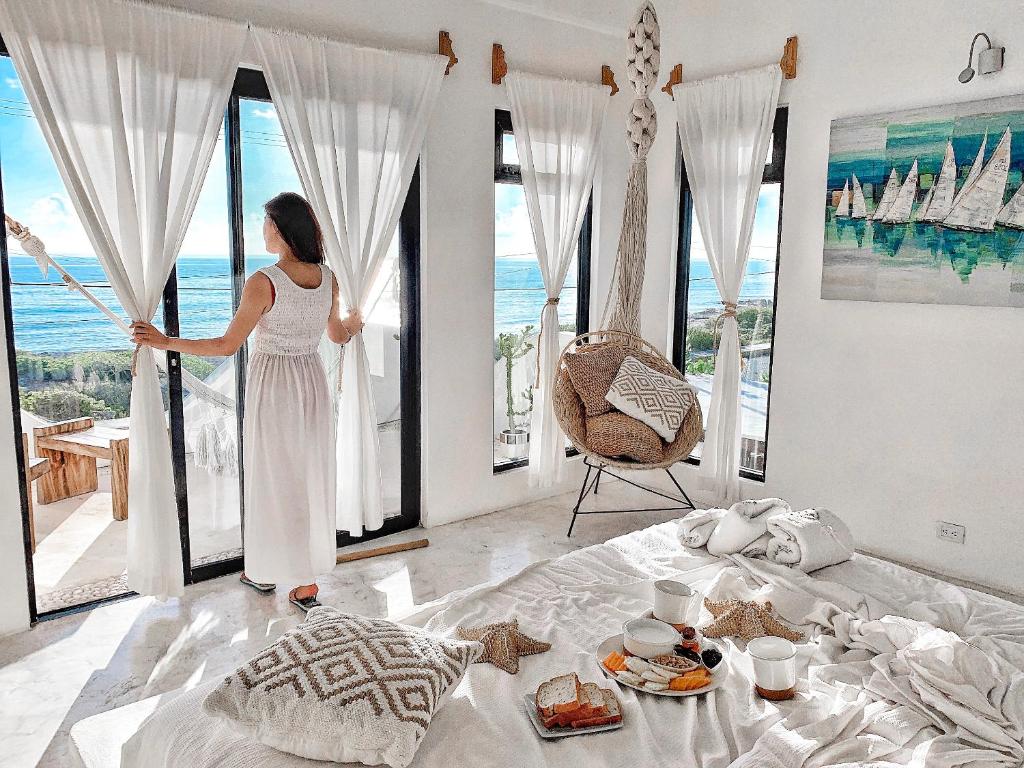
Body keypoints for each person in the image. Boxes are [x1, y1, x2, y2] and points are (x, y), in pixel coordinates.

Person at [132, 192, 363, 612]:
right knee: (306, 473)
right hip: (310, 382)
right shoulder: (327, 277)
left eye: (267, 223)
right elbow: (337, 335)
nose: (262, 230)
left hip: (274, 384)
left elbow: (226, 346)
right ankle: (299, 578)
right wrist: (353, 323)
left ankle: (272, 571)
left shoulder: (265, 280)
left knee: (274, 477)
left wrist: (166, 342)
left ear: (280, 228)